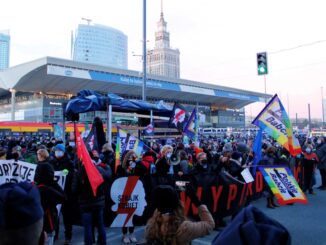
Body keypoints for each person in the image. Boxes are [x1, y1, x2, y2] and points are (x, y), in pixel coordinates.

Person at [145, 185, 214, 245]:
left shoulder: (151, 225)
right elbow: (210, 225)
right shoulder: (185, 228)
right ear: (178, 204)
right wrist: (197, 202)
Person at [72, 151, 111, 245]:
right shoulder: (98, 169)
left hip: (85, 204)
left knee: (88, 227)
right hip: (99, 202)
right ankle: (102, 242)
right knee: (100, 225)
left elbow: (74, 190)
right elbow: (107, 177)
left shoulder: (79, 172)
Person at [34, 148, 65, 245]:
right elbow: (62, 197)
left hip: (46, 220)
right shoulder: (50, 186)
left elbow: (62, 197)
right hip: (49, 219)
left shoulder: (42, 189)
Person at [50, 143, 75, 244]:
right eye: (56, 151)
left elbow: (73, 175)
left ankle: (68, 236)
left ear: (63, 152)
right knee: (54, 215)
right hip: (54, 193)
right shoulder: (51, 162)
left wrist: (67, 174)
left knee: (67, 217)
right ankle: (54, 234)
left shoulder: (69, 162)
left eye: (59, 151)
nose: (57, 152)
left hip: (66, 193)